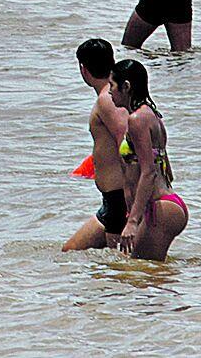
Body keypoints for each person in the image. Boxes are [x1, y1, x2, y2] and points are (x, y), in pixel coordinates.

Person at [111, 59, 188, 260]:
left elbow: (148, 172)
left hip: (159, 208)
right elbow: (167, 170)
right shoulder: (152, 115)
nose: (109, 92)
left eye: (112, 85)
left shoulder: (137, 120)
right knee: (145, 275)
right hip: (165, 204)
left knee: (146, 280)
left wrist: (133, 221)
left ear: (126, 86)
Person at [62, 38, 132, 251]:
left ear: (83, 70)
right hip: (112, 201)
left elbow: (127, 143)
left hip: (121, 200)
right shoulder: (110, 97)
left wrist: (132, 199)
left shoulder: (107, 100)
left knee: (119, 270)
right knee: (71, 252)